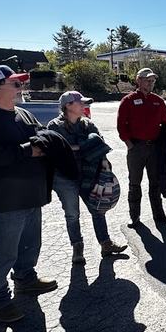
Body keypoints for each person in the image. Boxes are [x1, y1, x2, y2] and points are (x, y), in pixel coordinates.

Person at [0, 65, 57, 324]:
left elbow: (42, 137)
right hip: (2, 202)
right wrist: (28, 151)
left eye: (21, 83)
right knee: (1, 254)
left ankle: (25, 279)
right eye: (15, 84)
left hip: (30, 196)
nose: (21, 88)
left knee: (29, 246)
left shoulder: (24, 114)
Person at [47, 91, 127, 264]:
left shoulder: (88, 125)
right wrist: (85, 147)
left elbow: (100, 146)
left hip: (89, 175)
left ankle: (106, 244)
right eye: (80, 103)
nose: (84, 106)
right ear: (68, 105)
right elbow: (56, 150)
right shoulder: (55, 126)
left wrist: (104, 162)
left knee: (98, 209)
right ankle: (77, 248)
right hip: (65, 177)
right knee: (72, 214)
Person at [116, 67, 166, 226]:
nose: (151, 83)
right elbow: (121, 125)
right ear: (138, 80)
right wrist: (129, 144)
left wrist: (165, 137)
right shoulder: (128, 101)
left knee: (155, 183)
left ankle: (159, 216)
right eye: (148, 80)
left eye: (153, 80)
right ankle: (134, 217)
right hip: (136, 148)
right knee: (135, 183)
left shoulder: (158, 101)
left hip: (154, 148)